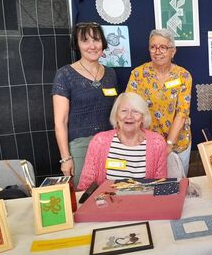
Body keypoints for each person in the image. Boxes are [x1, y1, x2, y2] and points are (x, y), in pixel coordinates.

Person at [52, 22, 118, 186]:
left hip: (111, 145)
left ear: (103, 42)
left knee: (113, 191)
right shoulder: (64, 75)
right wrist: (65, 158)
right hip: (81, 147)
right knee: (84, 194)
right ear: (77, 44)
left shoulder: (111, 73)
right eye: (85, 41)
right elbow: (60, 122)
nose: (92, 46)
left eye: (96, 40)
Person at [126, 28, 192, 176]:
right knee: (151, 185)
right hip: (147, 144)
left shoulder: (184, 76)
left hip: (178, 143)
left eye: (163, 47)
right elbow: (129, 108)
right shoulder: (138, 74)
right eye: (153, 47)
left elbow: (182, 113)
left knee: (178, 184)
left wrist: (169, 144)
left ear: (173, 51)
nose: (157, 51)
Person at [77, 93, 167, 190]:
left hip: (142, 199)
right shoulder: (99, 142)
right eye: (124, 111)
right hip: (106, 198)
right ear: (116, 116)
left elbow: (160, 187)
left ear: (143, 117)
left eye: (135, 111)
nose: (129, 116)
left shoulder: (157, 143)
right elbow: (85, 186)